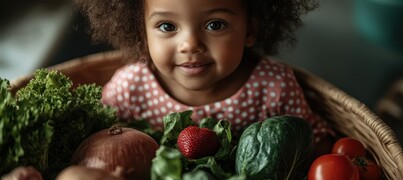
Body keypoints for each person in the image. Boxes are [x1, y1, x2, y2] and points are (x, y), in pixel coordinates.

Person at [74, 0, 333, 148]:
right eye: (167, 26)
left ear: (250, 30)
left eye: (215, 24)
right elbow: (93, 145)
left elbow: (316, 144)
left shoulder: (273, 89)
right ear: (143, 33)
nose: (190, 44)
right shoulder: (130, 88)